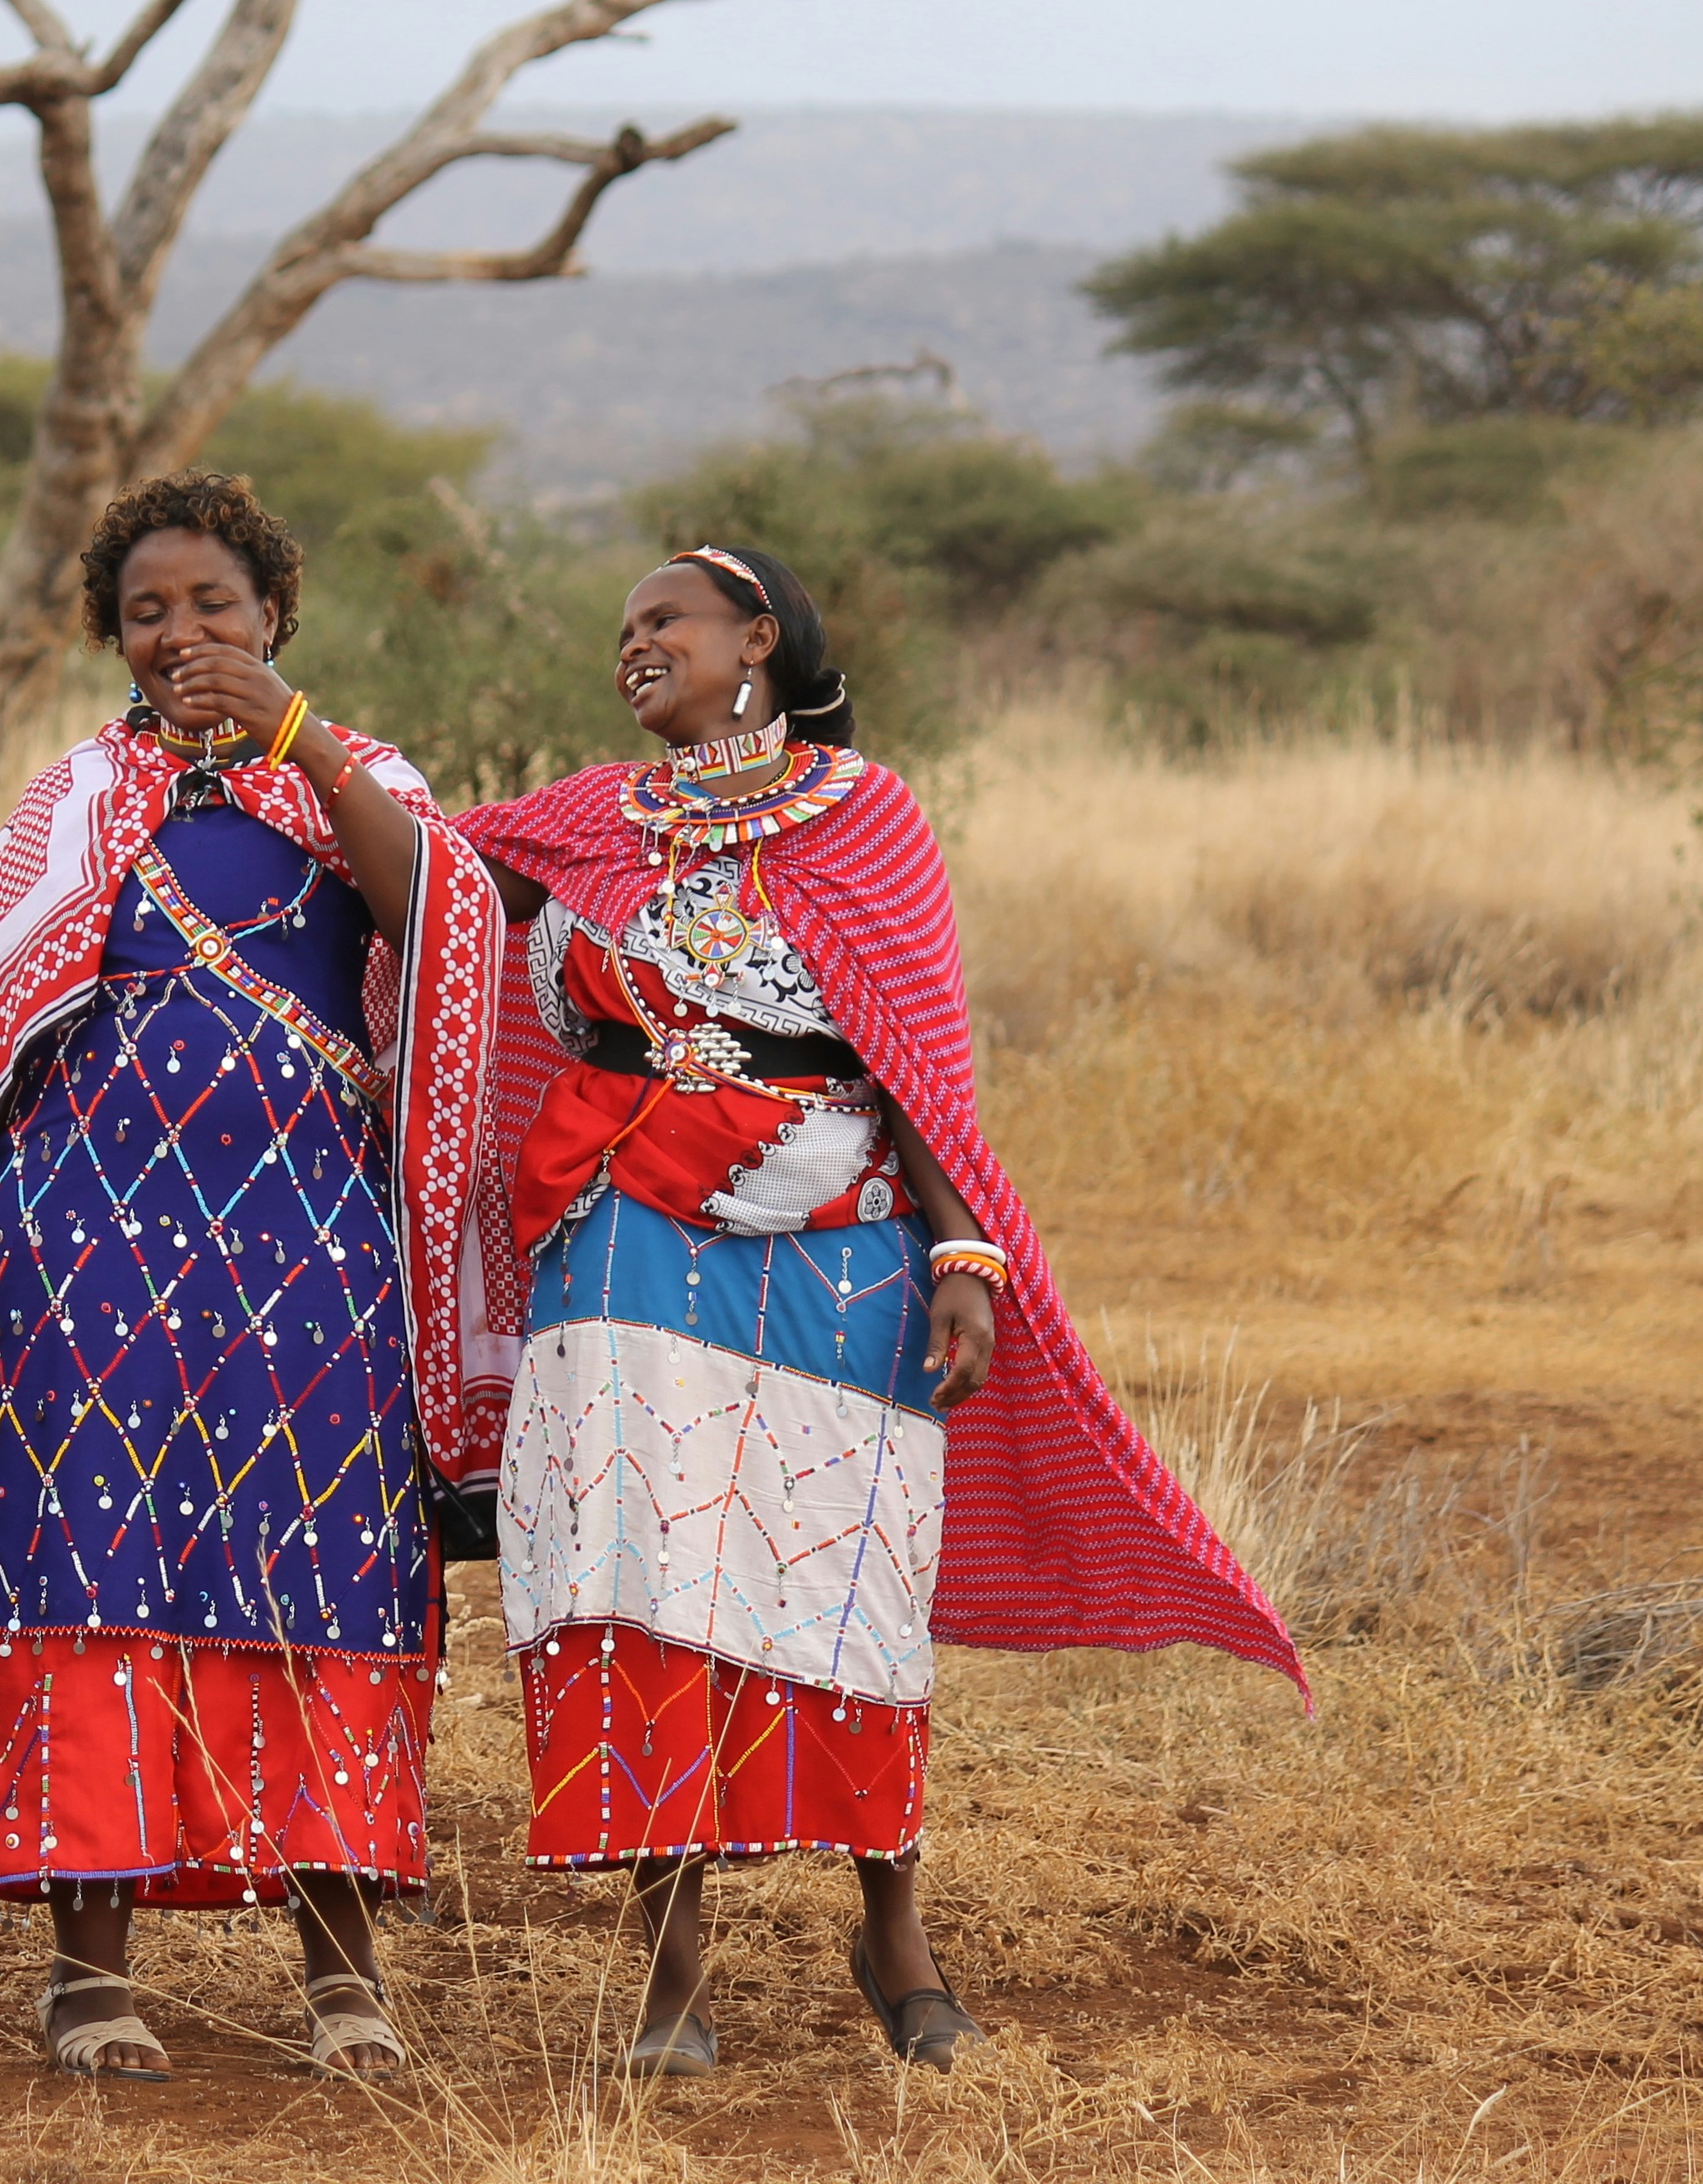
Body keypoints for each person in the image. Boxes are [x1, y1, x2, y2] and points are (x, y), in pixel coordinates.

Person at [453, 545, 1304, 2079]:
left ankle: (891, 1930)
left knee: (843, 1567)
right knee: (640, 1567)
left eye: (667, 620)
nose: (634, 643)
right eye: (624, 628)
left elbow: (916, 1064)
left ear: (757, 640)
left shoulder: (867, 817)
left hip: (840, 1237)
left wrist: (967, 1258)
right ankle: (671, 1965)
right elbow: (429, 893)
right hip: (620, 1231)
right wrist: (295, 735)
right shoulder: (582, 821)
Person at [0, 471, 505, 2082]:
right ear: (111, 636)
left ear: (274, 614)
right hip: (85, 1244)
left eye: (214, 605)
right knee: (91, 1569)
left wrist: (298, 736)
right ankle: (90, 1971)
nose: (182, 633)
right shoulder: (71, 799)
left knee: (332, 1571)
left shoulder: (364, 779)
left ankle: (344, 1968)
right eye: (147, 611)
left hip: (313, 1245)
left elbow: (440, 921)